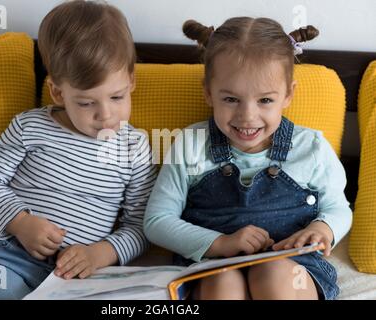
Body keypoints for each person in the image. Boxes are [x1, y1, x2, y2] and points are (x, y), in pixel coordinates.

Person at [0, 0, 156, 299]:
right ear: (58, 92)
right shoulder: (31, 127)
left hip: (77, 272)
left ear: (131, 80)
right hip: (7, 253)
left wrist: (102, 253)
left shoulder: (134, 148)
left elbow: (141, 225)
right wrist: (20, 221)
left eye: (117, 97)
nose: (106, 115)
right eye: (86, 103)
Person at [143, 17, 352, 300]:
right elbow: (157, 220)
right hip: (212, 264)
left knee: (273, 275)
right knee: (223, 284)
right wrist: (219, 243)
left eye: (265, 100)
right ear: (208, 92)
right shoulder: (191, 145)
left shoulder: (311, 147)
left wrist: (322, 228)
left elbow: (339, 208)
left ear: (289, 94)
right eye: (231, 99)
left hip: (293, 264)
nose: (247, 117)